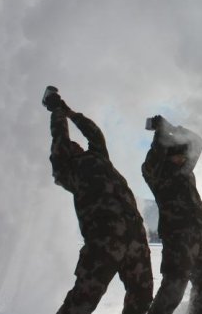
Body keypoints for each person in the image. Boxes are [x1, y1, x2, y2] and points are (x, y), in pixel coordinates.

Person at [44, 87, 153, 314]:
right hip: (103, 239)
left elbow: (94, 134)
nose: (77, 144)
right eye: (72, 146)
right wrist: (56, 111)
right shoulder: (67, 168)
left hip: (134, 235)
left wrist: (70, 112)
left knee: (141, 299)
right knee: (81, 303)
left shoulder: (97, 156)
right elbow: (60, 137)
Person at [142, 115, 202, 314]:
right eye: (178, 155)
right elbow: (155, 156)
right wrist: (160, 132)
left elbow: (197, 142)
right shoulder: (156, 173)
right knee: (173, 289)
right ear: (167, 154)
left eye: (184, 155)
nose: (183, 158)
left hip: (201, 233)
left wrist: (175, 128)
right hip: (177, 235)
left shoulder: (185, 171)